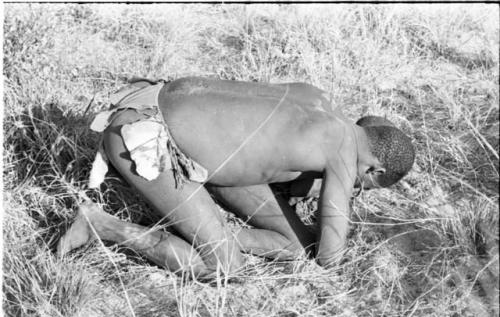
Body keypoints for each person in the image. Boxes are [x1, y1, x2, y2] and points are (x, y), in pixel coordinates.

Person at [58, 77, 415, 278]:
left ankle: (210, 232)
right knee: (224, 266)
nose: (353, 186)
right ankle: (98, 224)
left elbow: (259, 138)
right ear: (374, 170)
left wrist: (304, 185)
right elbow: (330, 256)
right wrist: (338, 195)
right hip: (146, 133)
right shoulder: (343, 148)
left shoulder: (320, 99)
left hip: (167, 105)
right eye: (361, 186)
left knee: (296, 245)